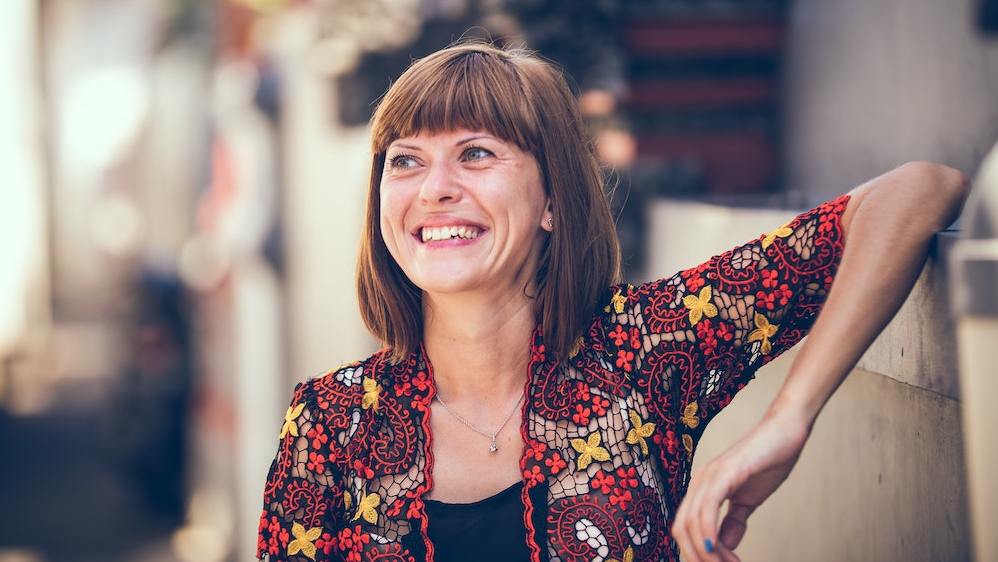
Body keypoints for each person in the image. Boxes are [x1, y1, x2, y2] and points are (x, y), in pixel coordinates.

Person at [255, 42, 969, 562]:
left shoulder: (643, 349)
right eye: (404, 160)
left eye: (476, 153)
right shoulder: (329, 423)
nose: (431, 186)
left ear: (553, 201)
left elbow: (919, 191)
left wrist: (790, 418)